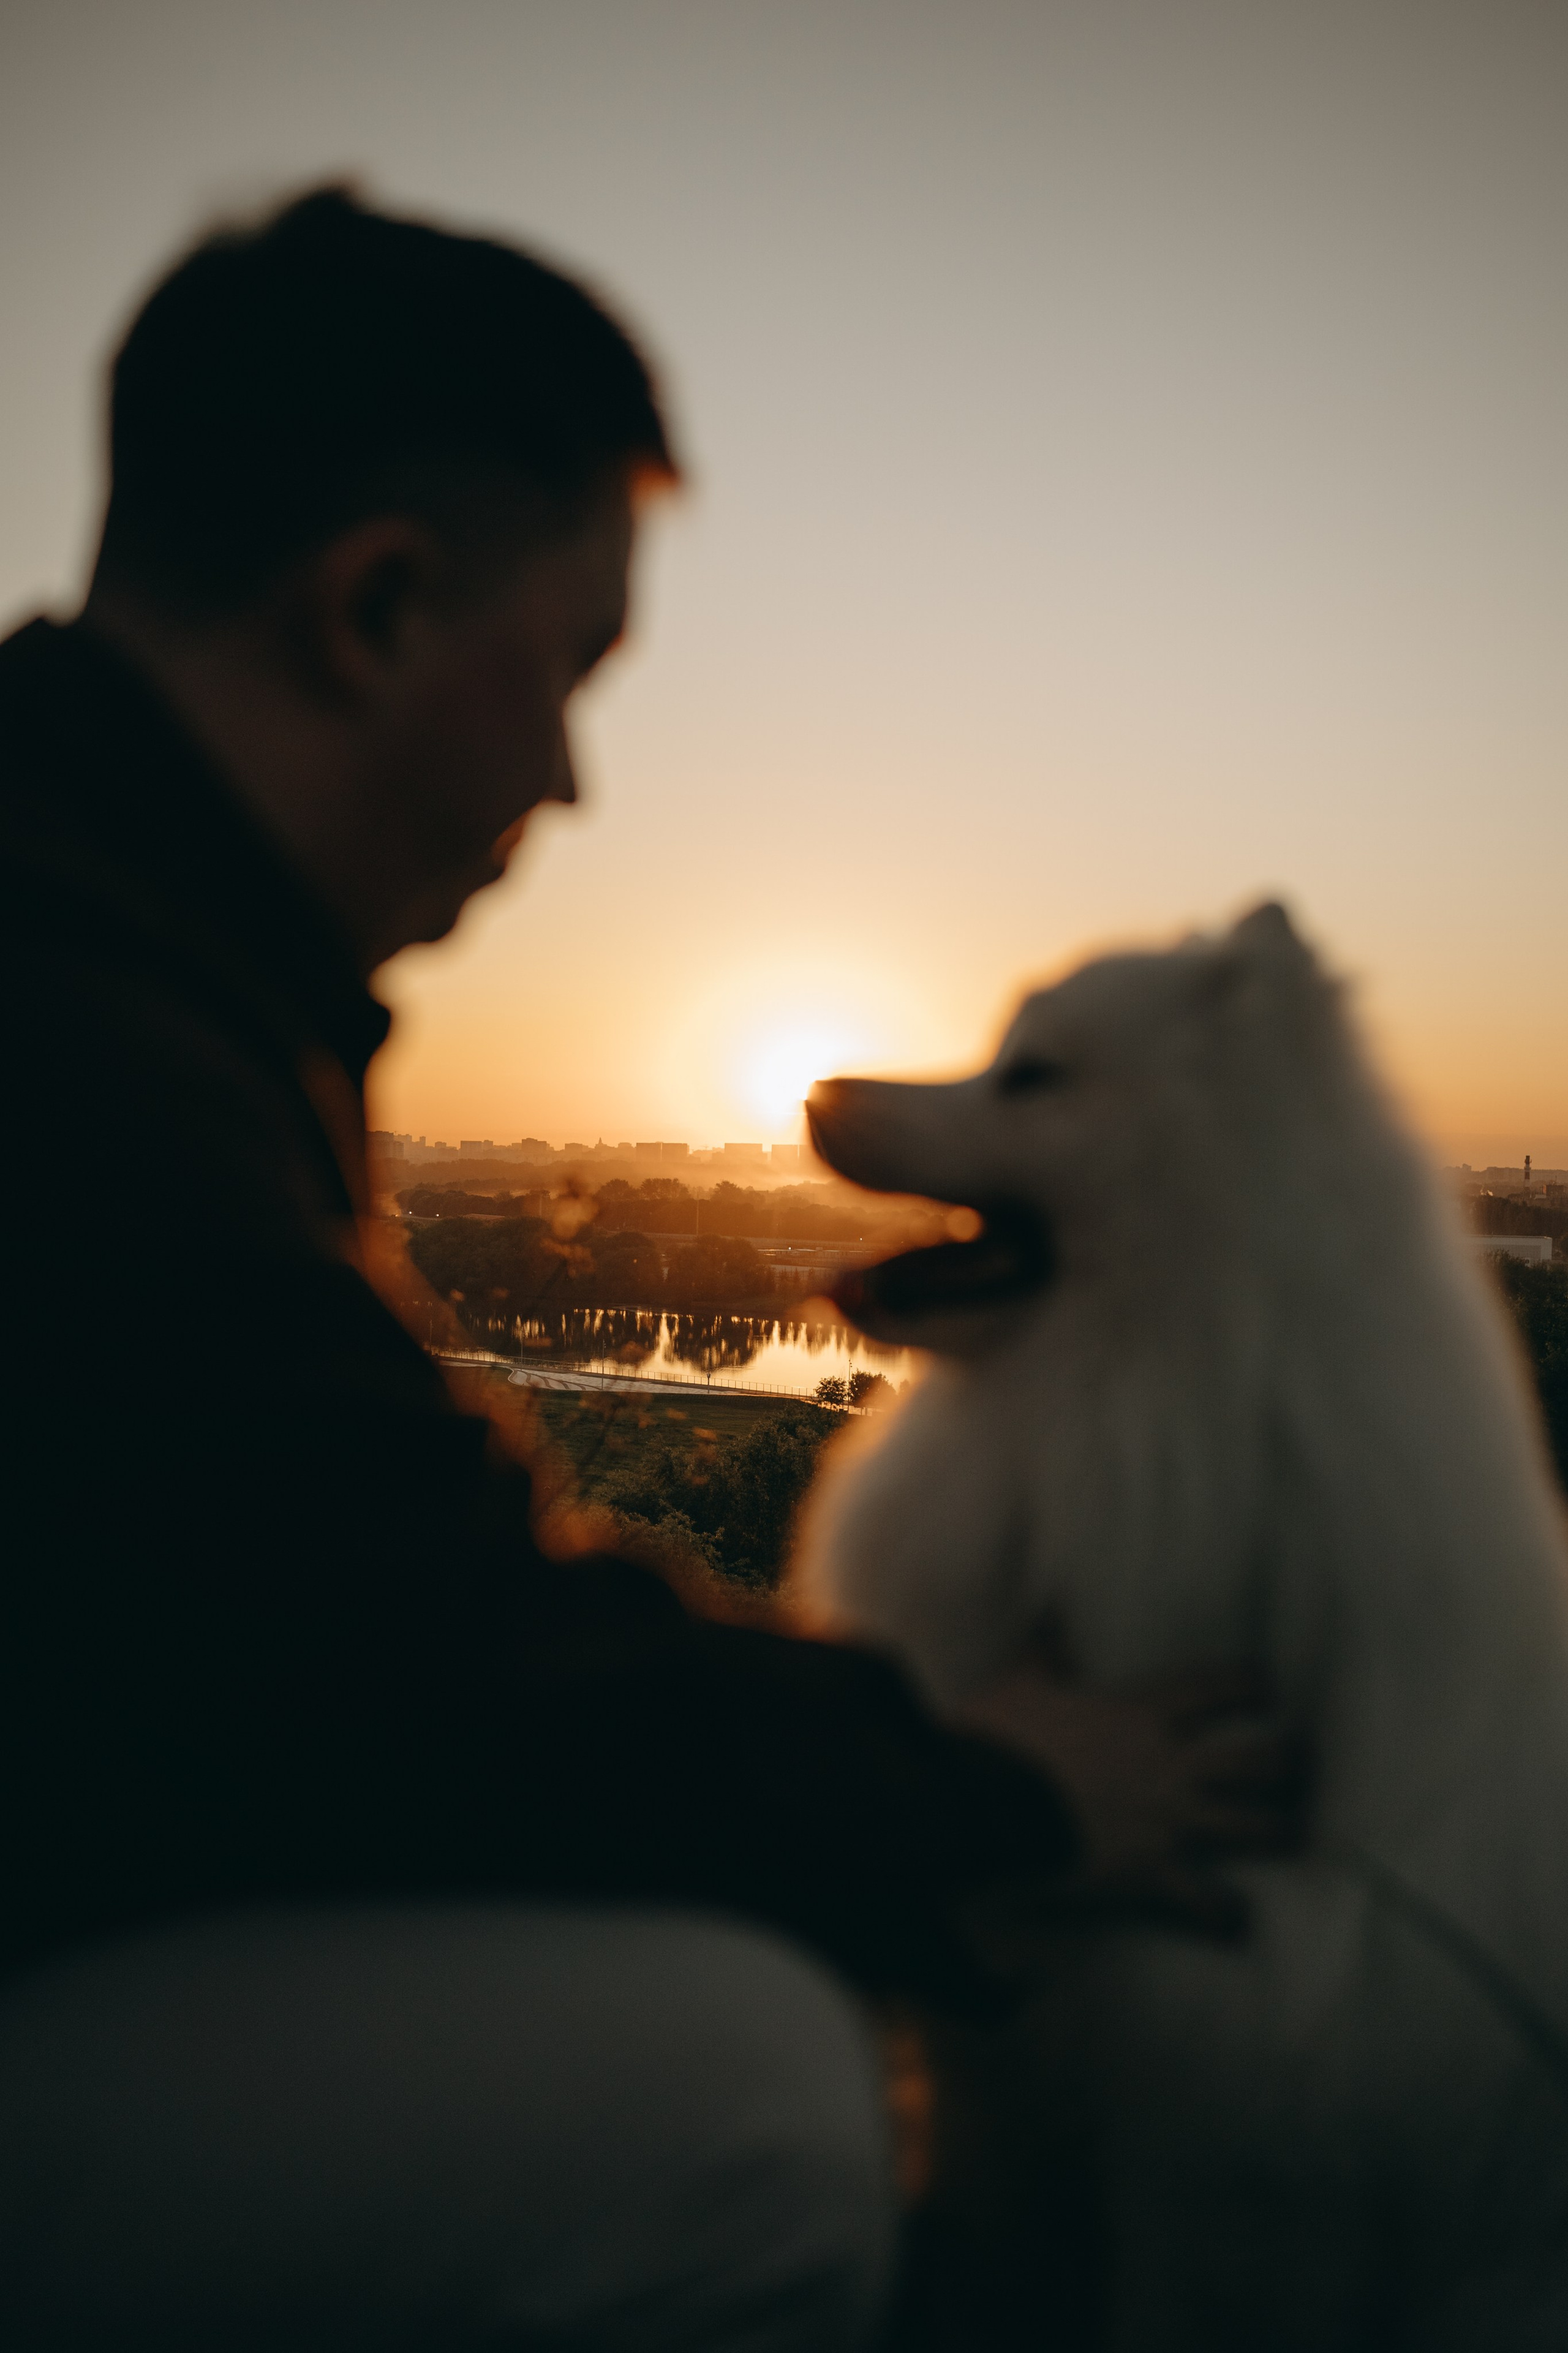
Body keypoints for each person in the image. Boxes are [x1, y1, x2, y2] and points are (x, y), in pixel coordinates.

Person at [0, 188, 1291, 2350]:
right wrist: (997, 1791)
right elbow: (419, 1650)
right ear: (380, 609)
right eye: (575, 671)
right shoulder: (81, 1035)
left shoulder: (112, 948)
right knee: (738, 2099)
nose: (576, 782)